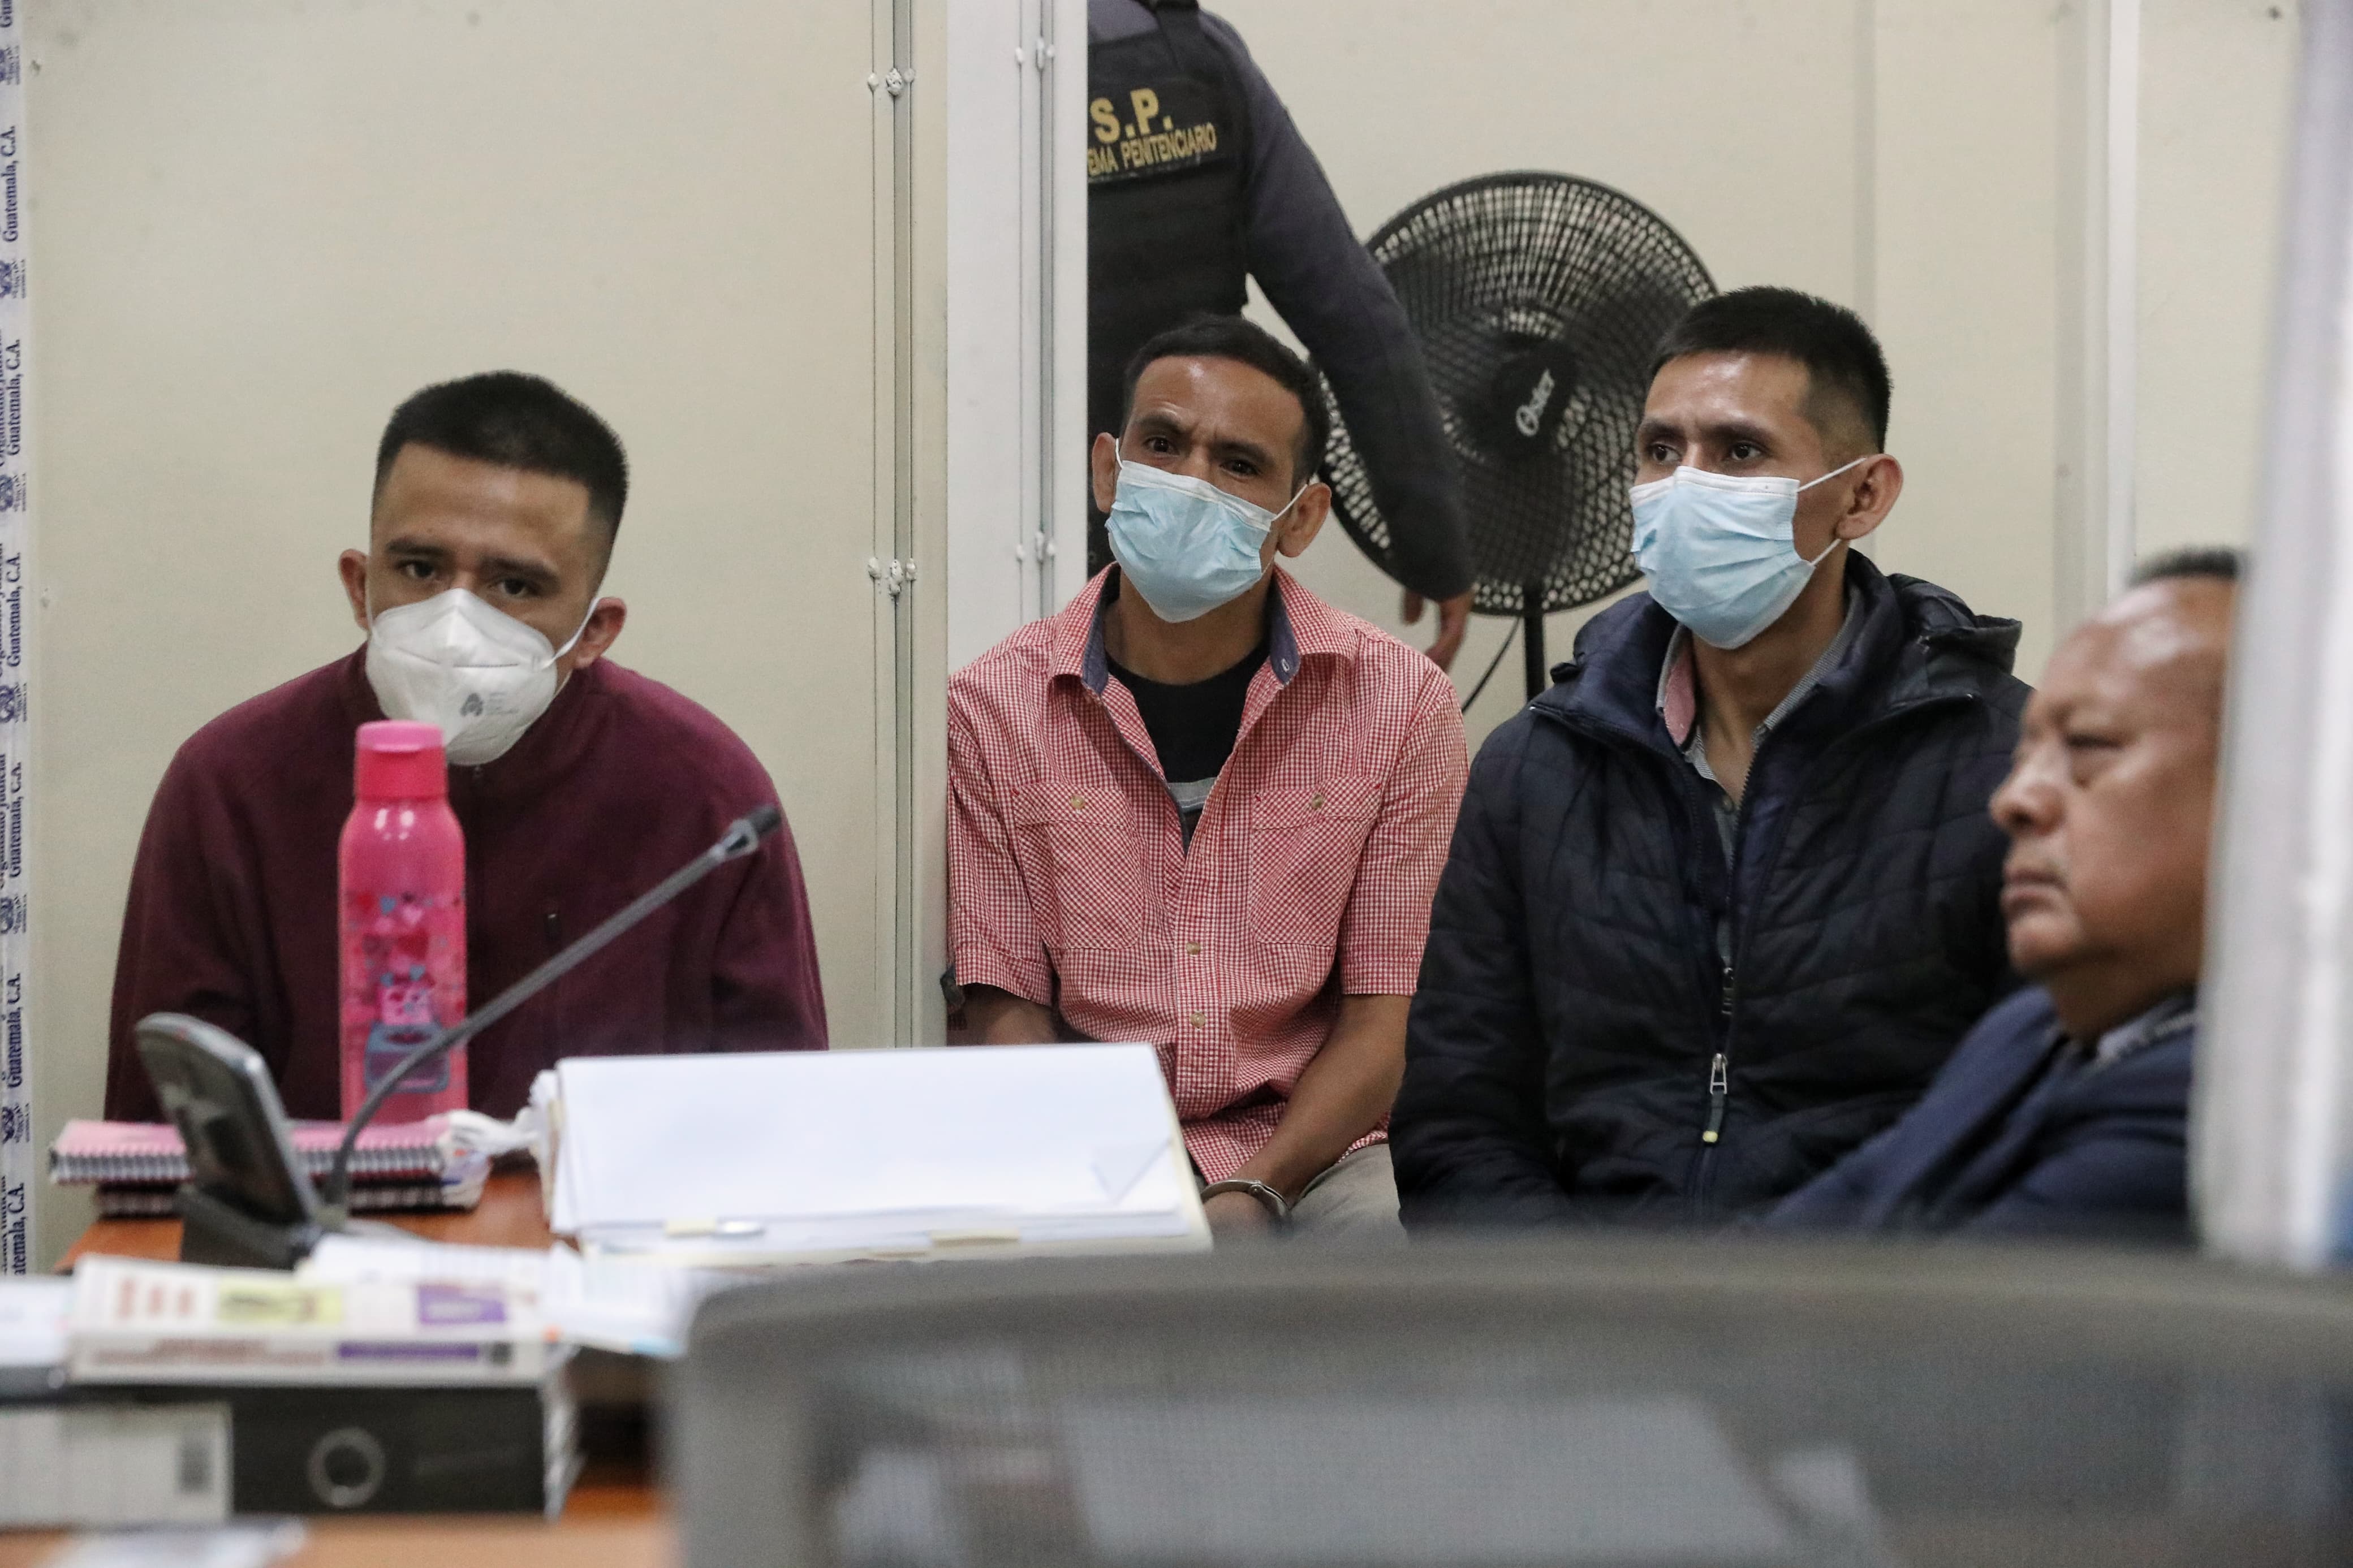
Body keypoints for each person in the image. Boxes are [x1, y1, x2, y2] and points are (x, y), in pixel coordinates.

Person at [1391, 287, 2032, 1226]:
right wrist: (1577, 1299)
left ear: (1862, 495)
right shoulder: (1534, 767)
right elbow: (1459, 1118)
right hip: (1592, 1293)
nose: (1684, 485)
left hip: (1879, 1290)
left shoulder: (2008, 765)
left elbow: (2047, 1116)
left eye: (1738, 451)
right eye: (1661, 450)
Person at [105, 372, 828, 1121]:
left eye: (515, 586)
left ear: (596, 631)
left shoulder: (706, 794)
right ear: (359, 586)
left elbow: (781, 1124)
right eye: (421, 570)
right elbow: (163, 1138)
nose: (455, 624)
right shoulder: (230, 783)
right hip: (326, 1201)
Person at [949, 315, 1468, 1237]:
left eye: (1237, 463)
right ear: (1109, 470)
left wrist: (1254, 1189)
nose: (1190, 482)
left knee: (1397, 1252)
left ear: (1300, 517)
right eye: (1162, 444)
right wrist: (1110, 1189)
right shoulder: (992, 707)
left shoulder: (1399, 703)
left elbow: (1382, 1022)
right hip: (1086, 1149)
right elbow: (1004, 1004)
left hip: (1320, 1152)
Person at [1768, 551, 2236, 1240]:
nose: (2013, 800)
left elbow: (1926, 1310)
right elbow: (1791, 1247)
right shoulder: (2029, 1029)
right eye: (2024, 757)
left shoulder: (2233, 1096)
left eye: (2088, 745)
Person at [1088, 0, 1475, 669]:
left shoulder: (938, 53)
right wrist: (1433, 544)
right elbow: (1354, 317)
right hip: (1199, 523)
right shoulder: (1193, 48)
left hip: (997, 528)